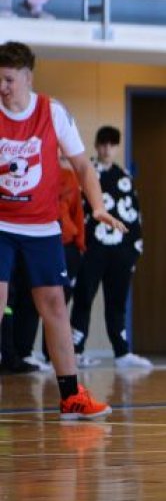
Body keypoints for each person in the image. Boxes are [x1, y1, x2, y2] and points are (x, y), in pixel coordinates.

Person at [0, 41, 121, 418]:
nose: (3, 87)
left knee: (53, 304)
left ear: (27, 78)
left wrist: (97, 206)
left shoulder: (52, 112)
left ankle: (71, 396)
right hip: (1, 224)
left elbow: (83, 166)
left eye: (8, 80)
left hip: (41, 227)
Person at [70, 125, 150, 370]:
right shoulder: (86, 173)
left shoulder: (124, 176)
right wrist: (78, 245)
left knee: (117, 302)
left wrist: (134, 249)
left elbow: (135, 215)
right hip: (91, 248)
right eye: (103, 144)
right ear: (96, 146)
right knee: (83, 298)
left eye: (111, 145)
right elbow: (77, 210)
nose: (107, 149)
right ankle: (75, 351)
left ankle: (122, 352)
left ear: (116, 147)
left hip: (120, 251)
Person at [0, 155, 87, 373]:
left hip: (57, 242)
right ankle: (18, 352)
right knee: (16, 298)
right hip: (19, 236)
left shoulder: (68, 177)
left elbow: (77, 211)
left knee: (55, 303)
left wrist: (80, 243)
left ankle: (64, 378)